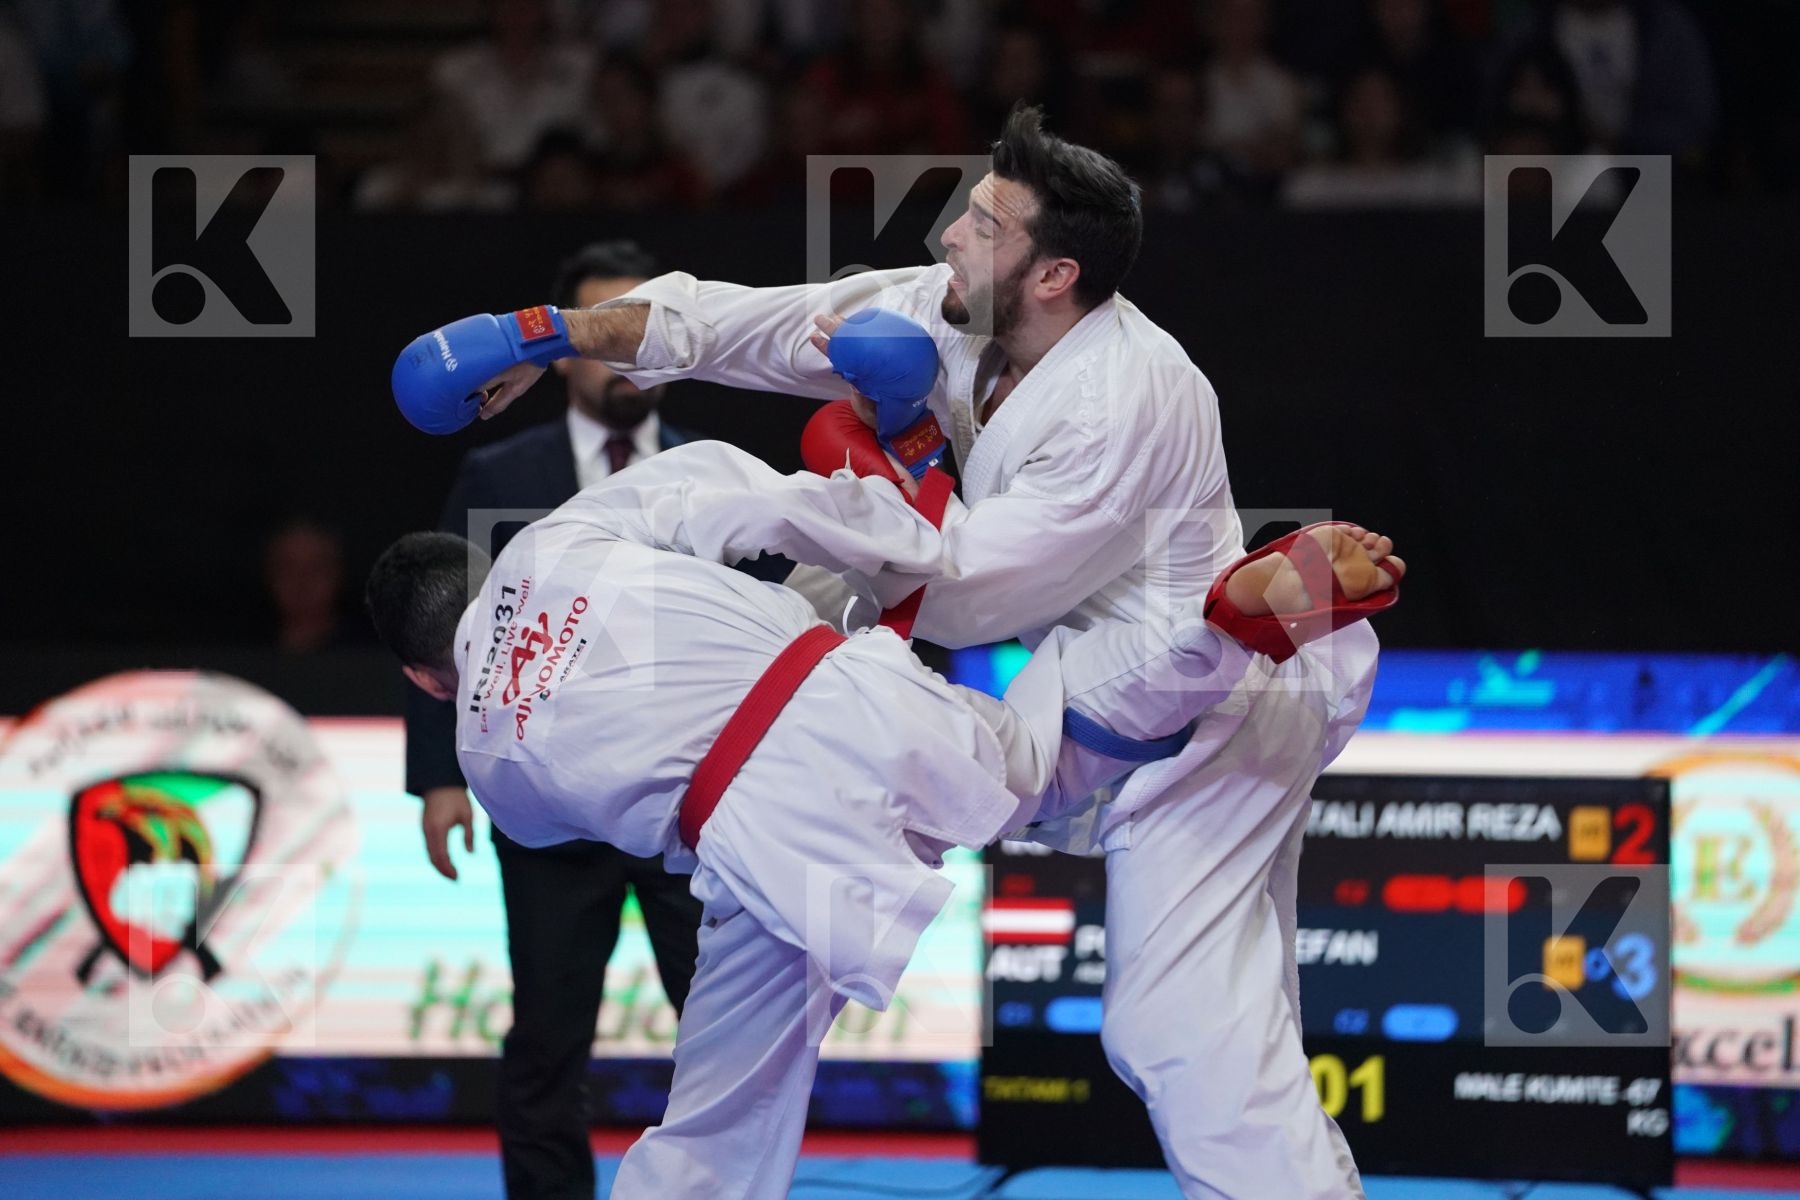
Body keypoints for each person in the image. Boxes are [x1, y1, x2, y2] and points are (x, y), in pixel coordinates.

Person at [402, 104, 1388, 1199]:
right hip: (948, 722)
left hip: (1200, 717)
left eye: (982, 223)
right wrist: (543, 332)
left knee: (1180, 1025)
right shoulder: (950, 312)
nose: (947, 238)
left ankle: (1250, 618)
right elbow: (735, 326)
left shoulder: (1131, 399)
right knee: (765, 1001)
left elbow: (964, 600)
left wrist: (897, 462)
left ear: (1054, 274)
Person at [366, 426, 1403, 1200]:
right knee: (1042, 760)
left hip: (761, 848)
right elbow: (738, 490)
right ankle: (1217, 630)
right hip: (840, 689)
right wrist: (885, 529)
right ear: (484, 566)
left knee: (722, 1109)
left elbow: (573, 828)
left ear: (422, 675)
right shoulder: (562, 535)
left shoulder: (483, 756)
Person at [405, 241, 730, 1200]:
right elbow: (441, 627)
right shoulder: (499, 472)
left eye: (637, 336)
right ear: (556, 353)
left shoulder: (714, 472)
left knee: (724, 1038)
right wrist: (437, 776)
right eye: (600, 336)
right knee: (547, 1040)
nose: (622, 358)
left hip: (688, 810)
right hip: (548, 813)